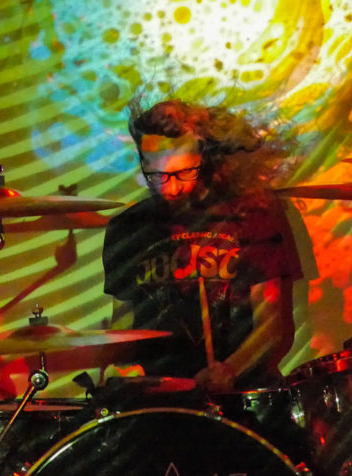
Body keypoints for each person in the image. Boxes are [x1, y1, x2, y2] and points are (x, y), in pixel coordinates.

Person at [101, 99, 304, 393]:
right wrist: (120, 367)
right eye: (157, 176)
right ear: (142, 161)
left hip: (238, 390)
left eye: (183, 173)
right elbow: (123, 326)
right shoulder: (127, 228)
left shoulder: (250, 216)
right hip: (161, 394)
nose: (170, 188)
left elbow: (270, 327)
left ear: (204, 158)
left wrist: (230, 369)